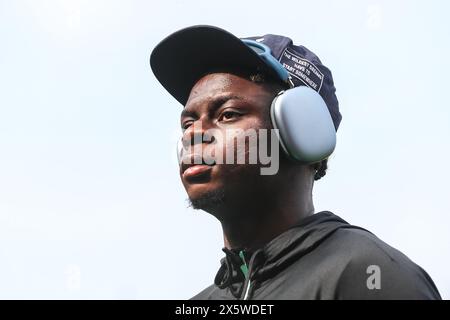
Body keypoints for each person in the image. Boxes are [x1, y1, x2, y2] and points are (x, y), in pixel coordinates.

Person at [150, 25, 441, 300]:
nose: (194, 135)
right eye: (188, 123)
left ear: (302, 130)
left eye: (227, 114)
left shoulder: (366, 275)